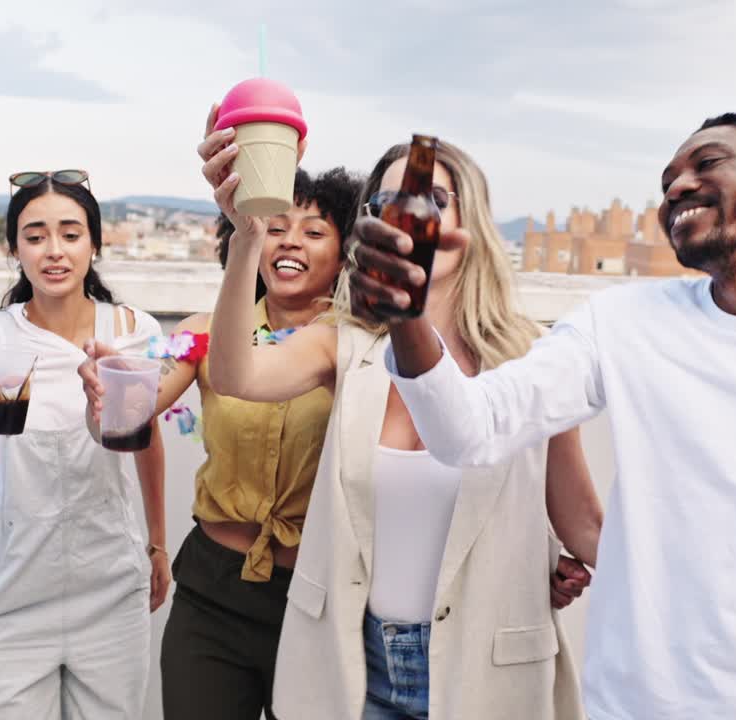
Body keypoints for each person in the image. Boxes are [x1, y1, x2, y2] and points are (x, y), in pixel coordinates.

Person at [352, 113, 736, 720]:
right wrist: (407, 317)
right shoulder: (620, 322)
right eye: (667, 178)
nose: (677, 186)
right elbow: (468, 431)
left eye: (706, 163)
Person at [197, 110, 600, 720]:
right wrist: (247, 237)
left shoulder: (530, 357)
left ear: (472, 222)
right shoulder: (349, 340)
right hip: (353, 672)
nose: (409, 217)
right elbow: (236, 376)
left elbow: (584, 526)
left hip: (481, 678)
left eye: (433, 197)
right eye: (385, 204)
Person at [82, 163, 367, 720]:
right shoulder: (203, 333)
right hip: (212, 592)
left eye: (313, 232)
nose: (290, 242)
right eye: (277, 227)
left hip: (319, 595)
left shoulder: (360, 344)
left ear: (344, 252)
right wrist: (107, 391)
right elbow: (120, 422)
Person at [0, 170, 167, 720]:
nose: (54, 251)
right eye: (35, 235)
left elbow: (145, 439)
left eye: (71, 234)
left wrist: (158, 543)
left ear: (95, 243)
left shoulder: (132, 329)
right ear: (14, 248)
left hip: (109, 589)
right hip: (7, 595)